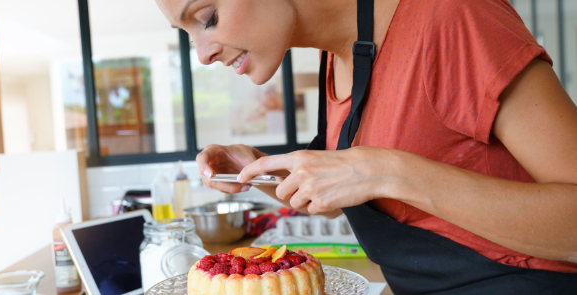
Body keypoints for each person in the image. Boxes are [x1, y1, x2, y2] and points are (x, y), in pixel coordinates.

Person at [156, 0, 577, 293]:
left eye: (207, 17)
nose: (203, 54)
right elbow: (357, 197)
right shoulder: (341, 59)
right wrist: (266, 171)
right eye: (187, 33)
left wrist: (386, 170)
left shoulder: (453, 16)